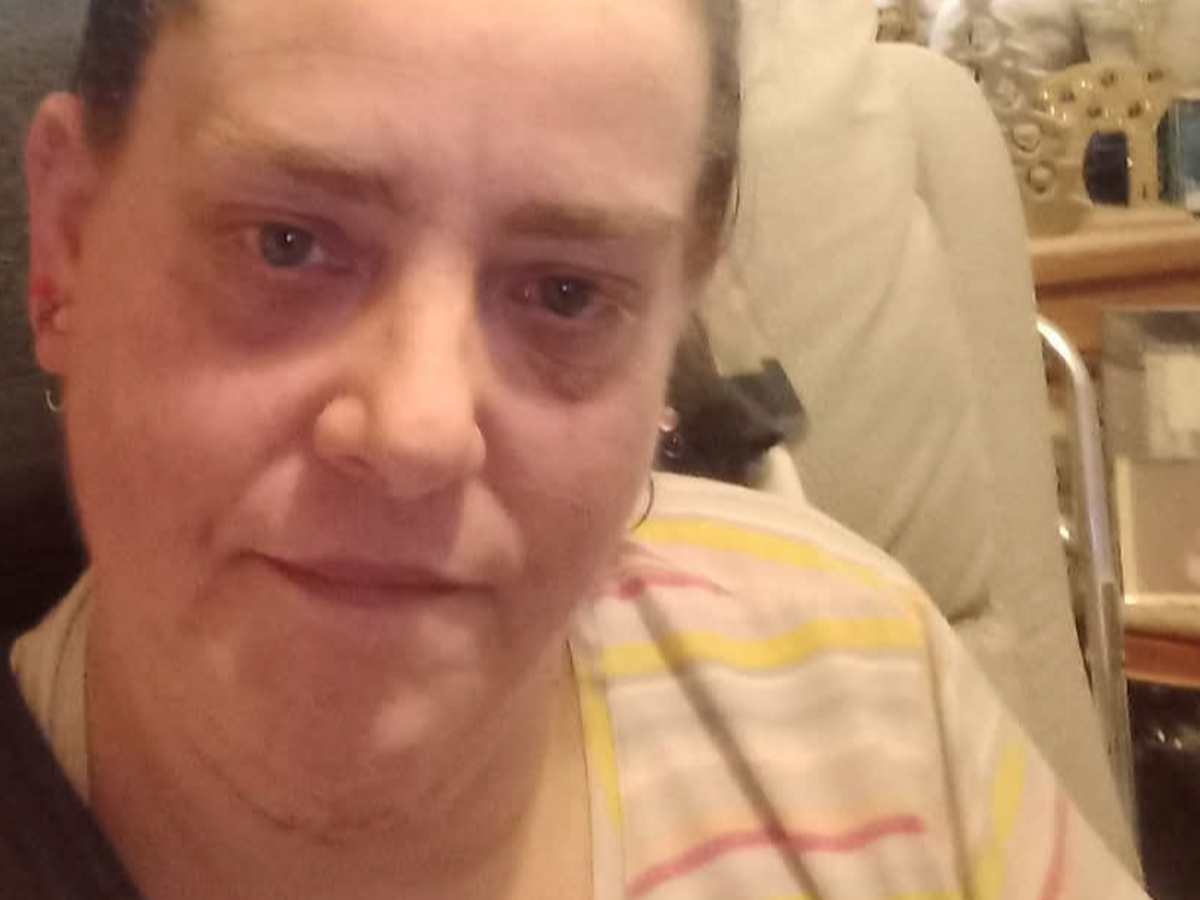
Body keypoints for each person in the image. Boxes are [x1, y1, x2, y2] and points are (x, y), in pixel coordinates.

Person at [3, 0, 1152, 898]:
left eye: (565, 292)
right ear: (68, 248)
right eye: (287, 244)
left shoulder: (870, 690)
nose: (416, 431)